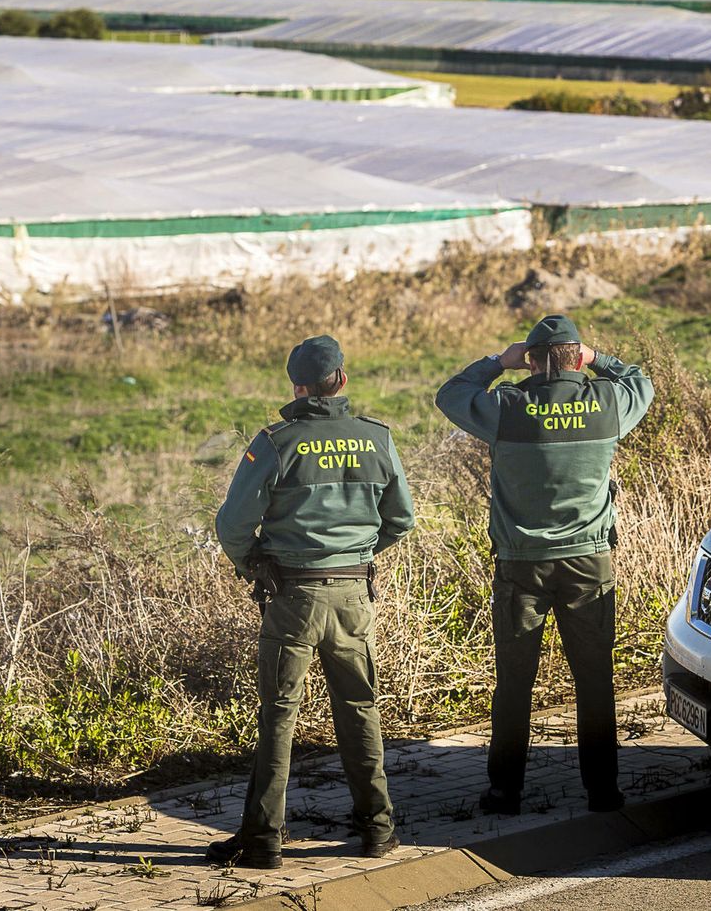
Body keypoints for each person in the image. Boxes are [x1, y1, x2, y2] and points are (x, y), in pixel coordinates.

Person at [209, 335, 415, 870]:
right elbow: (401, 519)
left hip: (292, 596)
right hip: (353, 596)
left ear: (296, 387)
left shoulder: (276, 443)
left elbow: (232, 525)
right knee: (359, 711)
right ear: (341, 380)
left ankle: (263, 840)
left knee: (278, 717)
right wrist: (359, 553)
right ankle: (378, 829)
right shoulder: (376, 439)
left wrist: (254, 563)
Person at [436, 314, 654, 815]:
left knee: (515, 681)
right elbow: (640, 381)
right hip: (589, 563)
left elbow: (449, 395)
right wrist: (600, 358)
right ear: (578, 358)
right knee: (595, 679)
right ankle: (603, 790)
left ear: (530, 361)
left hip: (521, 566)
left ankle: (504, 791)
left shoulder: (508, 407)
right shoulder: (606, 404)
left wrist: (497, 362)